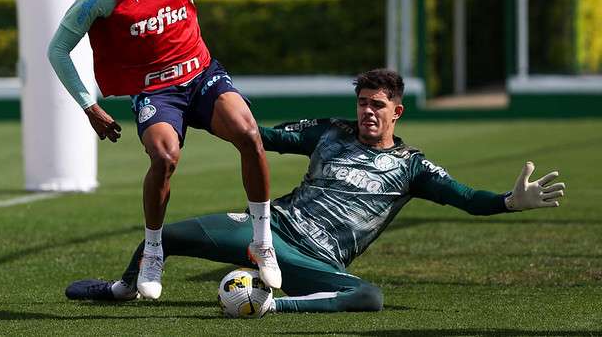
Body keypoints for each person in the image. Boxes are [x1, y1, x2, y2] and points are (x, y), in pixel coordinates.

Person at [65, 68, 566, 313]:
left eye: (378, 105)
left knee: (367, 296)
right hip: (271, 231)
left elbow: (464, 197)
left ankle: (272, 305)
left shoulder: (412, 166)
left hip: (315, 259)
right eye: (363, 103)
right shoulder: (331, 132)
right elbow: (263, 136)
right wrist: (194, 111)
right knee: (161, 235)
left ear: (397, 112)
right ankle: (121, 289)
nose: (368, 112)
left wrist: (506, 202)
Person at [47, 0, 280, 300]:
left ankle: (262, 242)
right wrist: (90, 106)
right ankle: (153, 252)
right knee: (164, 157)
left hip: (202, 74)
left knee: (249, 133)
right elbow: (57, 50)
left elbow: (184, 14)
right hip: (156, 91)